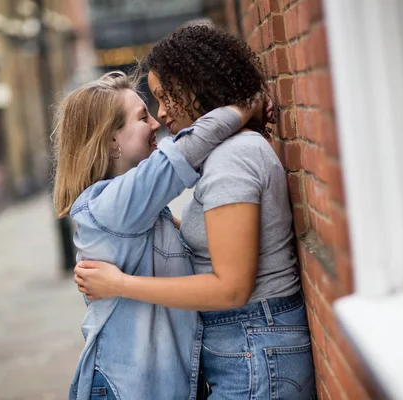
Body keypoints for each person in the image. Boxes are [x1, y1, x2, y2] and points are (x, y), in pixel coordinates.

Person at [75, 25, 316, 400]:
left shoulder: (231, 158)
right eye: (148, 109)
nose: (160, 114)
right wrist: (241, 111)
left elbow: (231, 287)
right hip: (247, 348)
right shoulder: (226, 156)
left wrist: (120, 284)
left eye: (164, 96)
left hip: (252, 346)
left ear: (195, 86)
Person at [53, 70, 261, 400]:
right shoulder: (117, 203)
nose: (155, 123)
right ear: (111, 140)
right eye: (142, 117)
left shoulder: (134, 206)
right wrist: (247, 104)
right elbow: (187, 148)